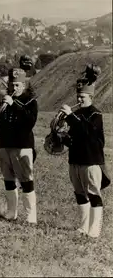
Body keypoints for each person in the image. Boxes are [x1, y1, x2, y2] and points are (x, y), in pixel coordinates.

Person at [59, 64, 110, 238]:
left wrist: (71, 117)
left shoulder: (96, 114)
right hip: (75, 160)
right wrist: (60, 136)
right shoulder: (77, 114)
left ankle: (94, 230)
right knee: (80, 193)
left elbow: (87, 132)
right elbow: (73, 138)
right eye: (78, 96)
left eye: (82, 97)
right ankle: (83, 227)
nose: (79, 100)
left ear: (90, 96)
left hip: (91, 161)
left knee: (93, 194)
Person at [0, 67, 38, 224]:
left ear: (24, 85)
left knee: (26, 180)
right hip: (4, 144)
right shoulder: (5, 101)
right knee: (8, 179)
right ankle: (12, 212)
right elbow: (2, 123)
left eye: (17, 85)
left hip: (22, 146)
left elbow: (29, 122)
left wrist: (13, 105)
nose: (14, 88)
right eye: (12, 85)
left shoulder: (31, 102)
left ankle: (31, 215)